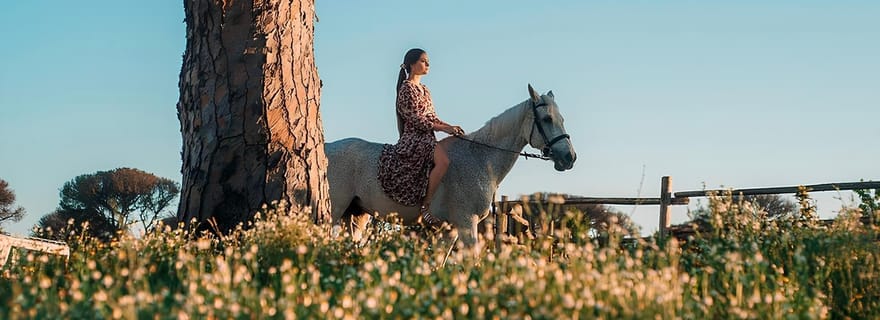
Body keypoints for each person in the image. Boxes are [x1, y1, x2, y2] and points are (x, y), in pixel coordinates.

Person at [377, 48, 464, 226]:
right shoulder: (407, 89)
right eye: (424, 61)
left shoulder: (425, 90)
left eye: (428, 61)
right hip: (414, 138)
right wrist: (444, 129)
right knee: (444, 162)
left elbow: (432, 117)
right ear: (412, 64)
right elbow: (416, 119)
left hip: (428, 136)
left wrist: (449, 127)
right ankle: (425, 207)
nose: (428, 64)